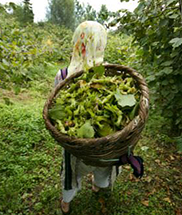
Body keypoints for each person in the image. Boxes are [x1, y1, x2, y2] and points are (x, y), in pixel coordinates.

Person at [53, 21, 122, 214]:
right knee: (102, 165)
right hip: (103, 140)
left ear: (77, 42)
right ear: (101, 43)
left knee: (71, 170)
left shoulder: (64, 74)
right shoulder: (109, 73)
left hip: (74, 140)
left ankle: (66, 202)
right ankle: (97, 186)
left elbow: (54, 104)